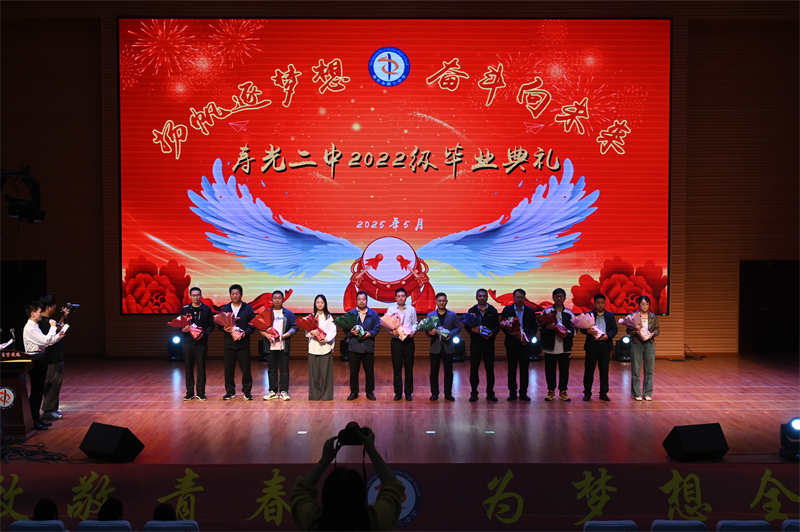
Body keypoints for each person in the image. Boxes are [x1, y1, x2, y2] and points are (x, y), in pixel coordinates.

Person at [290, 426, 403, 530]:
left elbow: (301, 491)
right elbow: (392, 486)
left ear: (325, 495)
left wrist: (324, 461)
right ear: (362, 495)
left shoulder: (313, 522)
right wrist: (371, 450)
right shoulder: (376, 522)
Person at [22, 300, 66, 430]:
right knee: (36, 391)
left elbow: (49, 341)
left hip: (40, 358)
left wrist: (59, 336)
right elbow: (46, 341)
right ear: (32, 313)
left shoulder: (35, 326)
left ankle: (37, 419)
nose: (41, 314)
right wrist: (52, 327)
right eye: (39, 312)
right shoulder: (30, 328)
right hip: (35, 360)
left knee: (39, 391)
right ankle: (34, 420)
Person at [218, 284, 256, 400]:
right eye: (233, 294)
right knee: (228, 369)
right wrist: (224, 329)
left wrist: (245, 333)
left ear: (241, 295)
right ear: (230, 295)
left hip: (243, 344)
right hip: (229, 344)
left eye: (237, 293)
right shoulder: (225, 309)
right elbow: (219, 325)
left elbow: (253, 324)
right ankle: (230, 392)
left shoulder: (248, 308)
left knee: (246, 369)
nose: (235, 296)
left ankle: (247, 392)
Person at [500, 289, 538, 401]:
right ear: (514, 298)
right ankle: (512, 393)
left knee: (524, 369)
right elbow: (503, 326)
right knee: (512, 369)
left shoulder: (530, 311)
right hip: (511, 344)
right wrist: (514, 334)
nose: (519, 299)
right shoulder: (507, 310)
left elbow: (534, 327)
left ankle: (523, 393)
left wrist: (527, 338)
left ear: (524, 298)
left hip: (525, 345)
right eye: (517, 297)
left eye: (522, 297)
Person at [38, 296, 70, 421]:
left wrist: (64, 316)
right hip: (50, 358)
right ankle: (48, 411)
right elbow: (54, 335)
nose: (55, 309)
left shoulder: (49, 321)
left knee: (55, 384)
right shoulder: (43, 322)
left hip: (55, 357)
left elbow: (58, 328)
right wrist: (61, 327)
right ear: (49, 307)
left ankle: (53, 408)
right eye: (54, 306)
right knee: (52, 383)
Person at [539, 288, 575, 402]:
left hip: (565, 347)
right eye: (557, 296)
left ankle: (563, 391)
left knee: (564, 371)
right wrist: (549, 328)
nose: (559, 298)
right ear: (553, 298)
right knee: (550, 370)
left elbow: (574, 330)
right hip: (550, 347)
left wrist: (565, 332)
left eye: (561, 296)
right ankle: (551, 391)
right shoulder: (546, 312)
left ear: (564, 298)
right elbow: (541, 329)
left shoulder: (569, 313)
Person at [581, 293, 618, 402]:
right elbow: (582, 328)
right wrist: (587, 331)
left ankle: (603, 393)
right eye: (598, 303)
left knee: (604, 371)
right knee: (589, 371)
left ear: (605, 303)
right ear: (594, 303)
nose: (600, 305)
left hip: (605, 346)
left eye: (602, 303)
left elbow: (614, 329)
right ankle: (587, 393)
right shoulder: (589, 314)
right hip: (592, 346)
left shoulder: (610, 316)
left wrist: (608, 336)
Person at [180, 287, 214, 401]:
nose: (196, 297)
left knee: (201, 368)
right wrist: (183, 329)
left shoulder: (206, 309)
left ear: (201, 296)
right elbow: (180, 325)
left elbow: (211, 326)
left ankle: (201, 393)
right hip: (188, 343)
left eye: (198, 295)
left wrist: (204, 334)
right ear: (190, 296)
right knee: (188, 367)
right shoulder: (185, 309)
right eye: (194, 295)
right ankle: (189, 393)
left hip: (201, 343)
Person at [262, 290, 297, 401]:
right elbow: (260, 327)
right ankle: (272, 391)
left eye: (279, 298)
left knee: (284, 369)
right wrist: (267, 335)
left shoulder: (288, 313)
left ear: (283, 300)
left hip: (283, 345)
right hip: (270, 345)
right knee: (271, 369)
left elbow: (294, 327)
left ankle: (283, 391)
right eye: (275, 298)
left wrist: (285, 335)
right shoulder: (266, 312)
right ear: (272, 300)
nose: (277, 300)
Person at [345, 291, 380, 401]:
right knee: (353, 372)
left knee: (369, 371)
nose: (361, 301)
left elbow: (377, 327)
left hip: (368, 347)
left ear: (366, 300)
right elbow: (345, 329)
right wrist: (350, 331)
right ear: (356, 301)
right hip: (354, 347)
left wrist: (370, 333)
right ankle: (354, 392)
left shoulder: (373, 314)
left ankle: (369, 392)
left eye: (363, 299)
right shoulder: (350, 314)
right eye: (359, 299)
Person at [426, 292, 461, 401]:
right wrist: (429, 333)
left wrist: (451, 334)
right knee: (433, 372)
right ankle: (434, 394)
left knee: (448, 372)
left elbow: (458, 328)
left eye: (443, 301)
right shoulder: (430, 315)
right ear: (436, 302)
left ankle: (448, 394)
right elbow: (427, 330)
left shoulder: (452, 315)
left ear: (446, 302)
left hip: (448, 346)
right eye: (439, 301)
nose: (441, 302)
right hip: (435, 347)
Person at [467, 288, 499, 402]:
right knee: (474, 369)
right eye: (480, 296)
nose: (482, 298)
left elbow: (497, 326)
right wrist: (473, 330)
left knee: (490, 370)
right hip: (475, 344)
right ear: (476, 297)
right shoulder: (471, 310)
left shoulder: (493, 310)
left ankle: (490, 393)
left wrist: (492, 333)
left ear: (487, 297)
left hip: (488, 344)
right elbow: (467, 326)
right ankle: (474, 393)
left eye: (484, 296)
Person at [385, 287, 418, 401]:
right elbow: (387, 324)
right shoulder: (391, 309)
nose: (401, 298)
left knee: (409, 368)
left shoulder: (411, 309)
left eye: (403, 296)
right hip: (396, 341)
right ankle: (398, 392)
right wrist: (391, 331)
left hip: (408, 341)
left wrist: (413, 331)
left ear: (406, 297)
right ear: (395, 298)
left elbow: (415, 323)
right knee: (397, 368)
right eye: (398, 296)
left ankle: (408, 393)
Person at [628, 295, 660, 401]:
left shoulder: (653, 316)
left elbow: (657, 330)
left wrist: (652, 334)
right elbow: (628, 331)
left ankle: (647, 393)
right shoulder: (634, 316)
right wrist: (635, 331)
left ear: (649, 305)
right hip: (637, 343)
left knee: (649, 369)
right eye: (642, 304)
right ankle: (636, 393)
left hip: (649, 344)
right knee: (636, 369)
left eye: (646, 304)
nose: (644, 306)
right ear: (639, 305)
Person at [306, 295, 337, 401]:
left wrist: (326, 339)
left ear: (325, 304)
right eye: (318, 302)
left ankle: (327, 395)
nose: (320, 304)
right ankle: (314, 395)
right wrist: (312, 332)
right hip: (313, 348)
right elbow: (306, 332)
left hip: (325, 348)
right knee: (314, 374)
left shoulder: (329, 317)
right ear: (315, 304)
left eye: (322, 302)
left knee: (326, 374)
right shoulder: (311, 317)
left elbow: (333, 331)